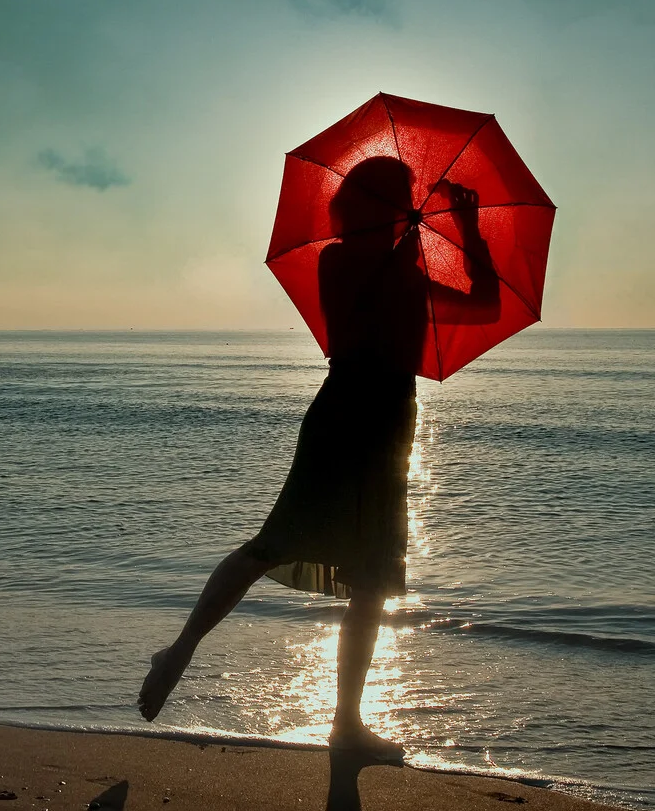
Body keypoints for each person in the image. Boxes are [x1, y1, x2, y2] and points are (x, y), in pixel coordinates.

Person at [138, 157, 500, 760]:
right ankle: (193, 656)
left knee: (349, 569)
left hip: (367, 420)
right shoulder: (354, 264)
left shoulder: (376, 267)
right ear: (385, 208)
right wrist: (456, 236)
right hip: (364, 417)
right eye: (403, 199)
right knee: (307, 554)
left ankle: (335, 718)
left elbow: (477, 308)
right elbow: (461, 302)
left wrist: (451, 237)